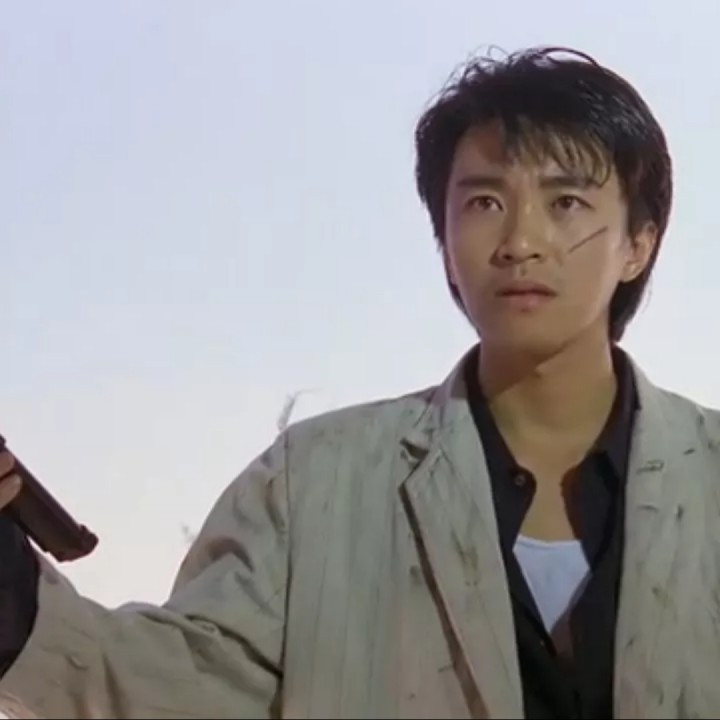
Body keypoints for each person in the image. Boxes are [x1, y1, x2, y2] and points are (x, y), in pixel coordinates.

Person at [0, 46, 717, 720]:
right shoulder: (315, 483)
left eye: (565, 203)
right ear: (444, 242)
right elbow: (176, 689)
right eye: (484, 203)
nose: (519, 242)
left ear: (639, 242)